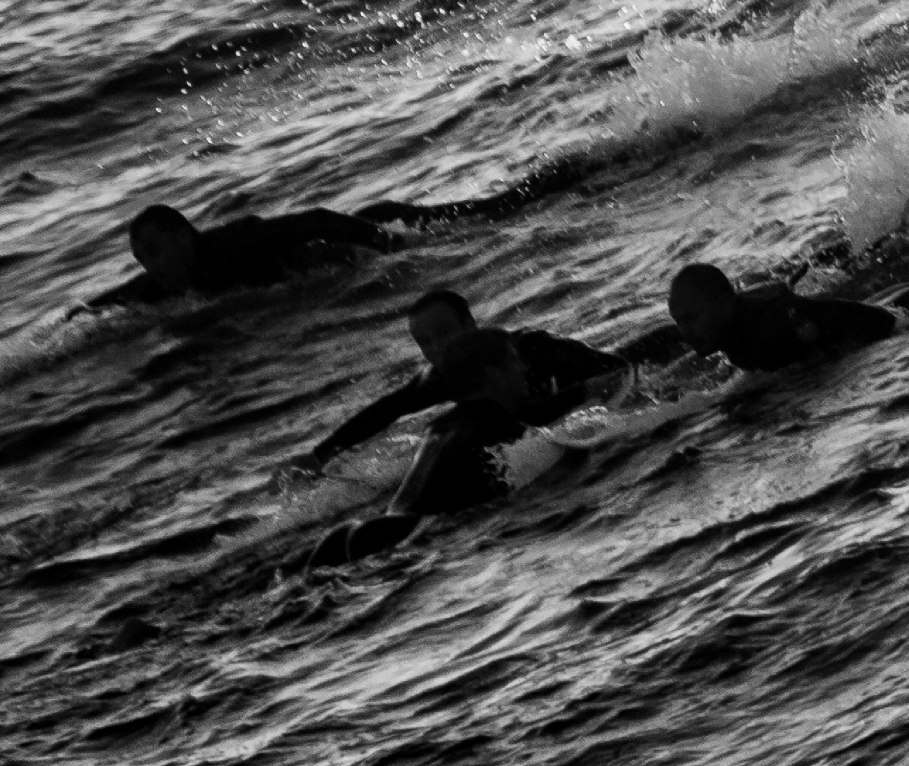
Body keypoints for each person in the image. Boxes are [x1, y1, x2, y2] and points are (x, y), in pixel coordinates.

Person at [304, 289, 625, 471]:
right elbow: (388, 408)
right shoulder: (443, 377)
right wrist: (319, 456)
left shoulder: (532, 348)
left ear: (471, 324)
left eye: (444, 333)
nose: (437, 349)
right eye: (425, 343)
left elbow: (615, 371)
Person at [307, 326, 545, 566]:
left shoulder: (439, 428)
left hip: (362, 534)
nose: (524, 369)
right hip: (403, 543)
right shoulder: (494, 423)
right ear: (493, 373)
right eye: (515, 361)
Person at [96, 200, 407, 306]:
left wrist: (384, 242)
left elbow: (316, 221)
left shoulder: (237, 242)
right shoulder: (161, 285)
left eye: (154, 252)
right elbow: (117, 300)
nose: (151, 267)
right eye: (142, 260)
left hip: (347, 246)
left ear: (182, 236)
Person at [629, 263, 897, 373]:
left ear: (724, 303)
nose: (685, 332)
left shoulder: (774, 324)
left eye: (691, 319)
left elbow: (878, 320)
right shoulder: (731, 333)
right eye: (678, 321)